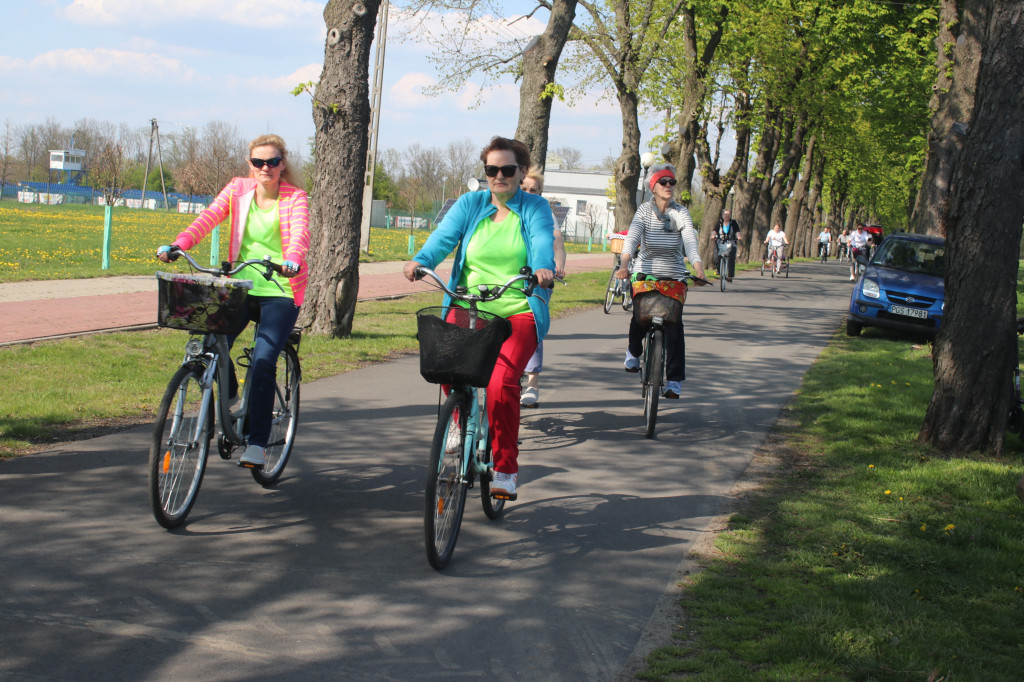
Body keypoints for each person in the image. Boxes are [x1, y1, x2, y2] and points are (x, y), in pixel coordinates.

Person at [402, 136, 555, 501]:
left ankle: (504, 469)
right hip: (469, 303)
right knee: (445, 363)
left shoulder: (534, 207)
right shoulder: (471, 203)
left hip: (517, 307)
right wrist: (421, 260)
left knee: (502, 384)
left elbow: (542, 241)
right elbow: (443, 238)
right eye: (491, 169)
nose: (498, 176)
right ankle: (459, 423)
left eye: (507, 169)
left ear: (521, 172)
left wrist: (543, 268)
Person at [157, 133, 310, 469]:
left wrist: (293, 258)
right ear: (250, 164)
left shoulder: (295, 198)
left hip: (280, 289)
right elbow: (208, 218)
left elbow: (300, 233)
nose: (265, 168)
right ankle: (231, 398)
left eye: (272, 162)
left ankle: (257, 442)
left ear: (282, 164)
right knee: (211, 345)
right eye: (258, 162)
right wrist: (179, 244)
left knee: (264, 360)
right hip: (239, 285)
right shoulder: (238, 190)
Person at [615, 163, 707, 399]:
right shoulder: (644, 212)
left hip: (674, 276)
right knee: (640, 314)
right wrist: (624, 267)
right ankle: (634, 352)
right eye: (663, 182)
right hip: (645, 273)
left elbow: (690, 244)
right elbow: (631, 240)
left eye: (672, 182)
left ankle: (674, 380)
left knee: (674, 327)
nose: (669, 186)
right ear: (652, 187)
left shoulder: (681, 212)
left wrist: (699, 270)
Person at [519, 167, 566, 408]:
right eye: (523, 188)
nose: (528, 193)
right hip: (510, 277)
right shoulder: (508, 208)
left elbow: (556, 240)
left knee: (533, 325)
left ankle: (532, 383)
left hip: (540, 277)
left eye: (533, 190)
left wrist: (557, 265)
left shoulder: (543, 210)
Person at [712, 209, 741, 281]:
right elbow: (714, 230)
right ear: (723, 215)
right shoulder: (719, 222)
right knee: (716, 257)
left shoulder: (733, 222)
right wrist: (713, 236)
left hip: (731, 242)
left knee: (731, 257)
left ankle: (730, 275)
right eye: (725, 214)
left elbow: (737, 231)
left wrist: (739, 237)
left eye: (728, 215)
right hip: (720, 242)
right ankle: (718, 270)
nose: (727, 216)